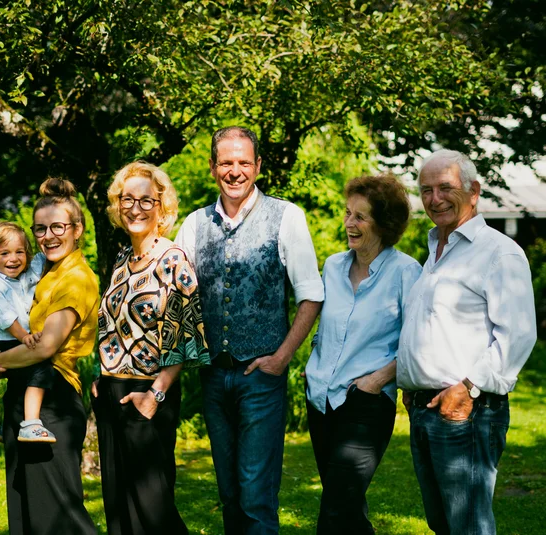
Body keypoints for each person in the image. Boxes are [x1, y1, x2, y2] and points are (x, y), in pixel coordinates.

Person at [175, 126, 324, 534]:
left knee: (256, 494)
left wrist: (282, 358)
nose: (235, 171)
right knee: (229, 492)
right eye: (226, 162)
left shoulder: (286, 216)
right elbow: (173, 293)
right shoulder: (194, 223)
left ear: (258, 166)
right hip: (213, 375)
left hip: (261, 376)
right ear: (212, 167)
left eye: (244, 162)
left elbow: (311, 295)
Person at [397, 150, 537, 535]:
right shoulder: (436, 250)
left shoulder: (499, 252)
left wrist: (468, 388)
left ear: (473, 191)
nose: (435, 198)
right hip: (427, 407)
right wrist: (412, 382)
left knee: (468, 525)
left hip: (467, 409)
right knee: (443, 523)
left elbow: (519, 333)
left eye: (446, 188)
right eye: (426, 190)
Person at [91, 161, 210, 534]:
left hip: (149, 392)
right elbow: (112, 325)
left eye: (146, 200)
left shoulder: (173, 260)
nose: (135, 208)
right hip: (111, 392)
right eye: (127, 199)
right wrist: (100, 376)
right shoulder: (122, 260)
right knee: (120, 507)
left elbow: (185, 336)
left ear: (162, 207)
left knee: (153, 508)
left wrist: (155, 395)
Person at [0, 177, 98, 535]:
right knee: (26, 511)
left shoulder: (76, 279)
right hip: (24, 392)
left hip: (53, 401)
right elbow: (7, 319)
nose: (48, 236)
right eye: (40, 229)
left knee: (58, 517)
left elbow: (45, 347)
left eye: (58, 227)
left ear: (77, 229)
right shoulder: (43, 269)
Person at [304, 174, 421, 534]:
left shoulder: (406, 272)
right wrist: (315, 362)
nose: (349, 223)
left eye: (360, 217)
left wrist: (377, 380)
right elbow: (326, 327)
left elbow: (418, 341)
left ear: (383, 223)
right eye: (347, 213)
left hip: (366, 402)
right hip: (321, 398)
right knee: (348, 508)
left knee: (336, 507)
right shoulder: (333, 266)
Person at [0, 221, 55, 443]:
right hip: (4, 340)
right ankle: (31, 423)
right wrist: (24, 337)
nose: (13, 258)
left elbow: (42, 259)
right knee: (40, 370)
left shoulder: (24, 274)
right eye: (5, 253)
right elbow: (6, 317)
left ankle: (7, 425)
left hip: (16, 337)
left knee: (19, 383)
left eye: (19, 252)